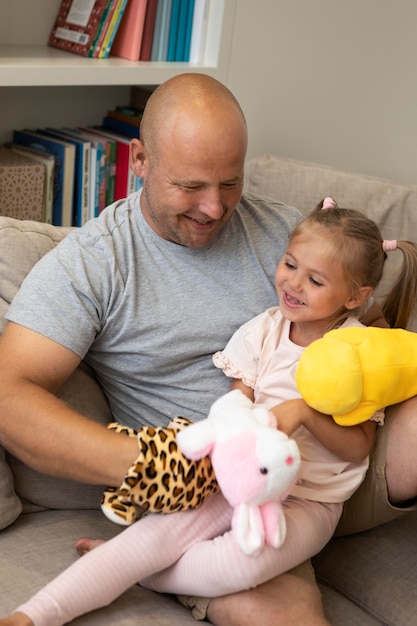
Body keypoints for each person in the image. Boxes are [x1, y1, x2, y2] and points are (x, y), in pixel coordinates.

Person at [0, 72, 416, 626]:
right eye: (191, 186)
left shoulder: (284, 232)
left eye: (230, 183)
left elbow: (374, 333)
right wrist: (154, 463)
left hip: (336, 468)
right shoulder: (94, 263)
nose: (215, 208)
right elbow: (9, 394)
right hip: (219, 493)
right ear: (141, 158)